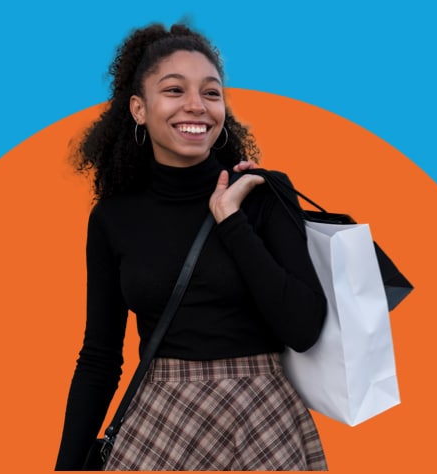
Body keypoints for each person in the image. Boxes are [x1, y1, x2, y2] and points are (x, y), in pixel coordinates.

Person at [55, 21, 328, 471]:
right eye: (174, 90)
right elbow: (100, 357)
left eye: (211, 92)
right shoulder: (113, 218)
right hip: (161, 423)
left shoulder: (263, 193)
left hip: (263, 419)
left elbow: (303, 329)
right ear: (139, 109)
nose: (196, 106)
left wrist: (232, 221)